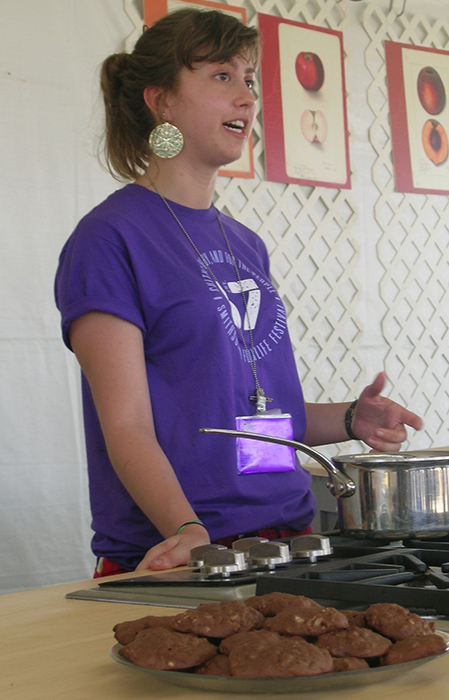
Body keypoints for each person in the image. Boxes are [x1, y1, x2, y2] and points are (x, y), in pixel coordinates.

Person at [54, 8, 422, 577]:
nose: (248, 98)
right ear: (163, 101)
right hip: (186, 556)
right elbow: (125, 422)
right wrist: (186, 531)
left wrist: (351, 419)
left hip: (291, 540)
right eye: (222, 76)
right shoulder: (110, 238)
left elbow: (253, 412)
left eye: (249, 79)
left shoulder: (245, 242)